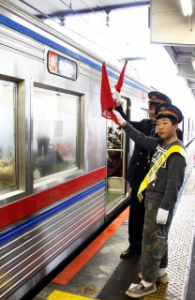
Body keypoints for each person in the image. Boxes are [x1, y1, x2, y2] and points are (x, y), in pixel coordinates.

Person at [112, 103, 187, 298]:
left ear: (175, 125)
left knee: (151, 242)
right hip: (152, 201)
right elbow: (142, 139)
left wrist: (165, 207)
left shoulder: (176, 152)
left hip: (160, 204)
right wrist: (124, 124)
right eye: (158, 123)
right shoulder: (162, 144)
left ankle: (147, 282)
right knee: (159, 239)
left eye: (165, 123)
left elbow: (174, 184)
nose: (160, 127)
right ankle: (160, 273)